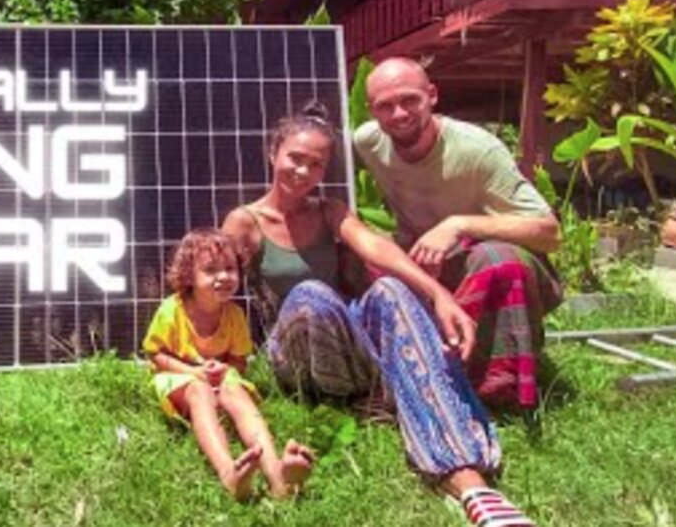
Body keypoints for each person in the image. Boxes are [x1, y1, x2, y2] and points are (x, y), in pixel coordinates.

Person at [221, 102, 535, 527]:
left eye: (316, 164)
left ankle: (470, 482)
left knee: (389, 288)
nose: (303, 171)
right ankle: (381, 397)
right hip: (294, 354)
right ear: (274, 152)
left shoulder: (330, 212)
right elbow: (212, 284)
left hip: (345, 346)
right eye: (295, 158)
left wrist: (439, 294)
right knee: (312, 293)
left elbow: (377, 250)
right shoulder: (245, 223)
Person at [355, 57, 563, 409]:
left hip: (487, 266)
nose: (399, 114)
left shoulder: (477, 149)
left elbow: (550, 232)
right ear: (371, 110)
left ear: (432, 95)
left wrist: (460, 225)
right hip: (423, 262)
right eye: (385, 106)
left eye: (410, 100)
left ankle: (499, 387)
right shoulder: (368, 142)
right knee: (356, 252)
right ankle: (397, 370)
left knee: (495, 258)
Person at [142, 228, 315, 501]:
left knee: (236, 392)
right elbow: (155, 355)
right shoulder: (171, 310)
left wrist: (228, 370)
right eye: (211, 270)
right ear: (189, 276)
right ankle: (228, 473)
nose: (223, 276)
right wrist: (194, 373)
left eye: (230, 268)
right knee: (198, 391)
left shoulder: (234, 315)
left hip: (217, 377)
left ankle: (277, 475)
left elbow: (238, 360)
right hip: (178, 378)